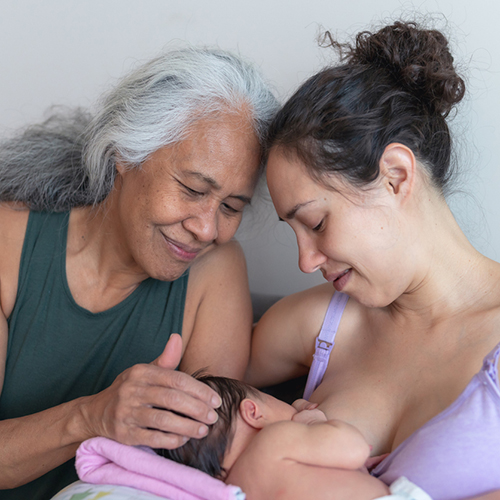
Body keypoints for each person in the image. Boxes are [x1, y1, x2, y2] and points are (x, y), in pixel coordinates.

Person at [0, 47, 278, 499]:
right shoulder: (7, 242)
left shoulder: (216, 272)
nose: (207, 229)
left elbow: (211, 472)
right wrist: (93, 415)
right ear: (124, 154)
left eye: (231, 207)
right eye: (191, 189)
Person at [246, 20, 500, 500]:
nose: (305, 261)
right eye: (293, 232)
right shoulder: (319, 324)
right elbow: (197, 406)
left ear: (396, 177)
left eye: (317, 223)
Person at [157, 374, 401, 500]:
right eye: (278, 401)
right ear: (253, 412)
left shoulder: (238, 488)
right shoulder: (275, 438)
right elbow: (355, 449)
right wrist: (315, 422)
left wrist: (354, 470)